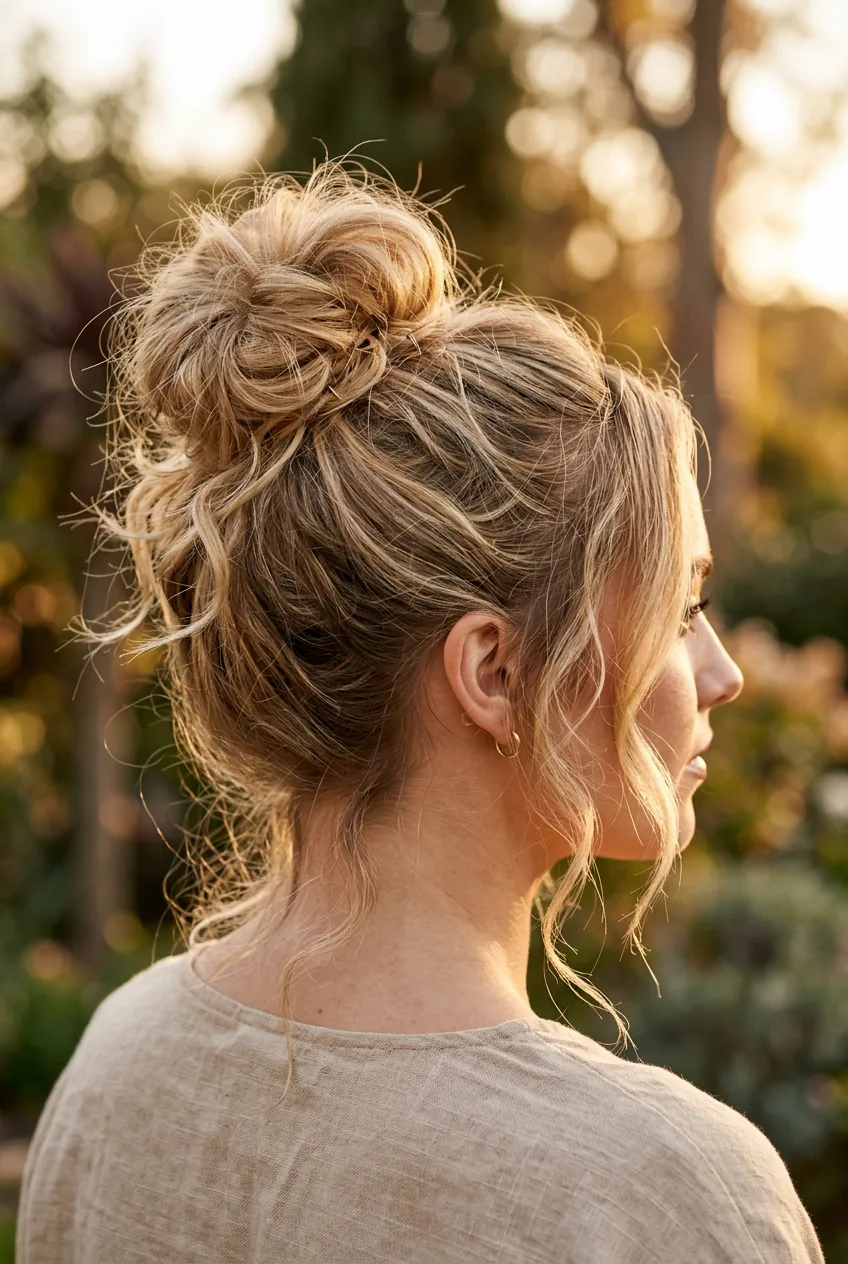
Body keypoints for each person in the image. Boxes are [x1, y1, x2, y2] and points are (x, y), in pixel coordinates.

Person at [16, 161, 824, 1263]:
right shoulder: (661, 1196)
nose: (721, 673)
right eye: (681, 606)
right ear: (491, 670)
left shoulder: (117, 1066)